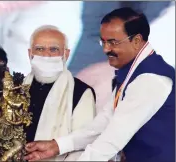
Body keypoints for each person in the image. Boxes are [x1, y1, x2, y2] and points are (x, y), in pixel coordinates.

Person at [24, 7, 175, 162]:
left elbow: (112, 139)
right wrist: (57, 145)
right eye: (102, 42)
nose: (105, 49)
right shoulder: (132, 71)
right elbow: (104, 123)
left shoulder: (150, 79)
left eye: (112, 42)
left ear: (136, 41)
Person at [16, 25, 95, 161]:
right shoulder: (16, 89)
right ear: (30, 54)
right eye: (40, 49)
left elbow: (83, 144)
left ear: (66, 54)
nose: (46, 55)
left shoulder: (81, 92)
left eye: (54, 49)